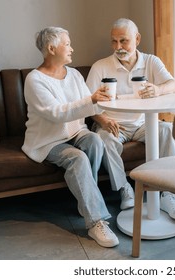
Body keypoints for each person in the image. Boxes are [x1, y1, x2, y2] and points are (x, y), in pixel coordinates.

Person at [22, 26, 120, 248]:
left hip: (76, 132)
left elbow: (90, 104)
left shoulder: (74, 74)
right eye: (67, 44)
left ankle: (86, 202)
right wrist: (92, 100)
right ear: (51, 48)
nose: (72, 48)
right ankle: (96, 221)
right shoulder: (34, 80)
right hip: (48, 141)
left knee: (95, 140)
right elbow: (57, 114)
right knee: (77, 158)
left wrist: (104, 116)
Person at [86, 18, 175, 220]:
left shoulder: (151, 61)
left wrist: (158, 89)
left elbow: (173, 85)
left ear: (137, 39)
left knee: (167, 130)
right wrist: (103, 119)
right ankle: (124, 188)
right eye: (114, 42)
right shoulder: (100, 67)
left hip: (144, 124)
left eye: (123, 41)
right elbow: (88, 103)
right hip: (113, 125)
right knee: (103, 139)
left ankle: (168, 193)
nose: (118, 47)